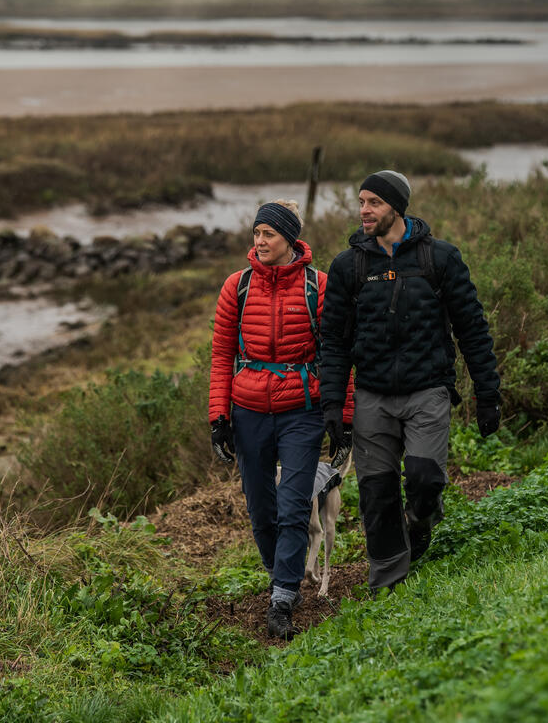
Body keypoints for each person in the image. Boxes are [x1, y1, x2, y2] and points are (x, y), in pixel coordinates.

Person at [320, 170, 501, 593]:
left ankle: (420, 523)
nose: (364, 211)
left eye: (374, 203)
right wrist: (333, 404)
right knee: (376, 492)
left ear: (396, 208)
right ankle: (386, 586)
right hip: (372, 396)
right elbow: (332, 341)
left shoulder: (439, 259)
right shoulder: (349, 266)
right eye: (361, 202)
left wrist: (487, 393)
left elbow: (471, 328)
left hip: (428, 391)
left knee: (425, 478)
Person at [209, 200, 352, 639]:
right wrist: (219, 416)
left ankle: (282, 599)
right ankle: (281, 574)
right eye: (256, 233)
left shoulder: (319, 286)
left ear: (289, 239)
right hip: (248, 411)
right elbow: (221, 355)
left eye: (268, 234)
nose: (260, 241)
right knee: (260, 508)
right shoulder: (238, 286)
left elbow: (339, 355)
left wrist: (342, 418)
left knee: (293, 506)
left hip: (302, 413)